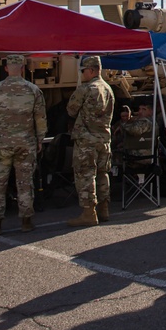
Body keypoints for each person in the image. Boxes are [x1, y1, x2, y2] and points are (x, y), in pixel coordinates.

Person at [0, 54, 47, 235]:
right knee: (25, 183)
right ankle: (26, 221)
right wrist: (40, 139)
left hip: (1, 144)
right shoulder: (33, 90)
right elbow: (40, 118)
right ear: (23, 68)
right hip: (26, 143)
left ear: (6, 68)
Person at [65, 54, 116, 227]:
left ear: (92, 70)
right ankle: (104, 210)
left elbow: (71, 110)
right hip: (104, 139)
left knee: (86, 175)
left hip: (86, 140)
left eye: (83, 70)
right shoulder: (108, 89)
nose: (82, 73)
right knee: (103, 174)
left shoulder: (85, 89)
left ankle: (88, 213)